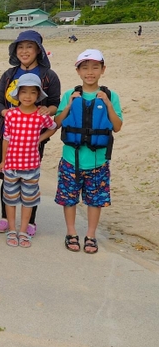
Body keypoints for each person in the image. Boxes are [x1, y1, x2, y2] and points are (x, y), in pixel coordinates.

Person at [0, 30, 60, 237]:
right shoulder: (9, 75)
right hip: (8, 131)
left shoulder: (49, 76)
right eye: (20, 47)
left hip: (33, 136)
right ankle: (6, 218)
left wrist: (47, 111)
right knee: (7, 176)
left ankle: (30, 222)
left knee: (31, 180)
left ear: (38, 50)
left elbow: (55, 103)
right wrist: (10, 114)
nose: (24, 51)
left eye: (29, 47)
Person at [55, 49, 122, 254]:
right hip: (71, 158)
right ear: (78, 71)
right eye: (85, 68)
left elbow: (117, 126)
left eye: (95, 67)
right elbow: (57, 122)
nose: (90, 72)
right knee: (69, 198)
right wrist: (69, 104)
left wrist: (108, 103)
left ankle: (91, 235)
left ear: (103, 70)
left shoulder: (111, 95)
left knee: (95, 200)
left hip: (98, 161)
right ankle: (71, 232)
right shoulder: (69, 94)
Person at [0, 73, 57, 248]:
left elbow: (53, 127)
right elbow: (6, 138)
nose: (28, 96)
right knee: (10, 199)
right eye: (24, 92)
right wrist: (3, 160)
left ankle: (23, 231)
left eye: (32, 92)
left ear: (38, 95)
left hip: (31, 166)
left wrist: (40, 139)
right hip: (11, 165)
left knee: (28, 200)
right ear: (17, 94)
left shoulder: (40, 115)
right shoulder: (11, 115)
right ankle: (12, 230)